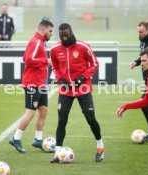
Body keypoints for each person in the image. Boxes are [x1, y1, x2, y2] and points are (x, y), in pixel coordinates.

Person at [50, 23, 104, 163]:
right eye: (62, 36)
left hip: (83, 88)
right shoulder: (55, 49)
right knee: (62, 120)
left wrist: (83, 77)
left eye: (67, 35)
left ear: (71, 32)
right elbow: (55, 66)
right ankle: (57, 153)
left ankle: (100, 147)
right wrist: (60, 79)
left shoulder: (83, 46)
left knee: (90, 118)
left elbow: (95, 64)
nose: (65, 38)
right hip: (65, 90)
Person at [8, 20, 54, 153]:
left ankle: (38, 140)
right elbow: (28, 59)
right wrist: (46, 61)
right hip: (33, 83)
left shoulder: (40, 42)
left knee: (44, 110)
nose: (51, 34)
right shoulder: (36, 42)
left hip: (41, 83)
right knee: (31, 112)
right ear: (43, 30)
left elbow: (26, 57)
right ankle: (16, 138)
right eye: (50, 31)